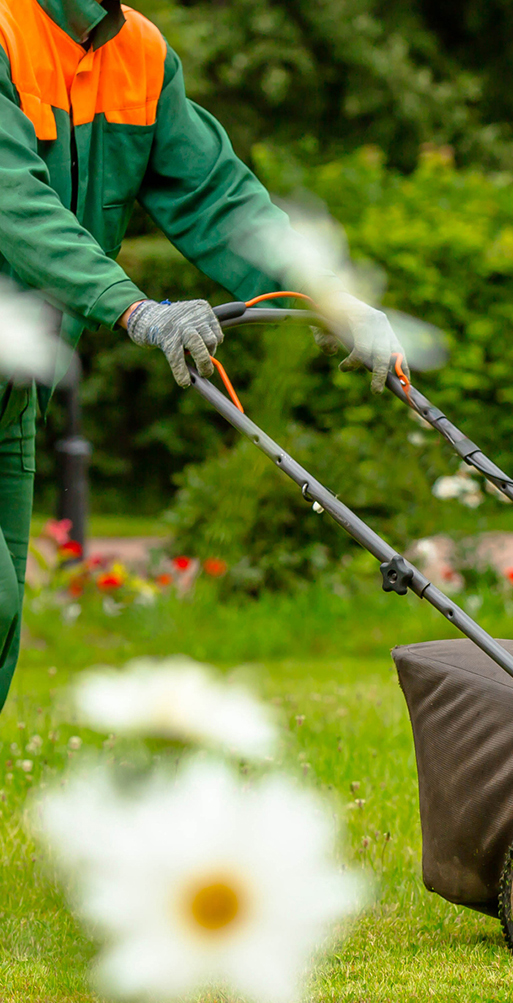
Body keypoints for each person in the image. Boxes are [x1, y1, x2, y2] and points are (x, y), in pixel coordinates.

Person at [0, 0, 400, 706]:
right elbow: (14, 205)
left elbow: (218, 197)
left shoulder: (141, 54)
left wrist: (327, 298)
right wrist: (136, 308)